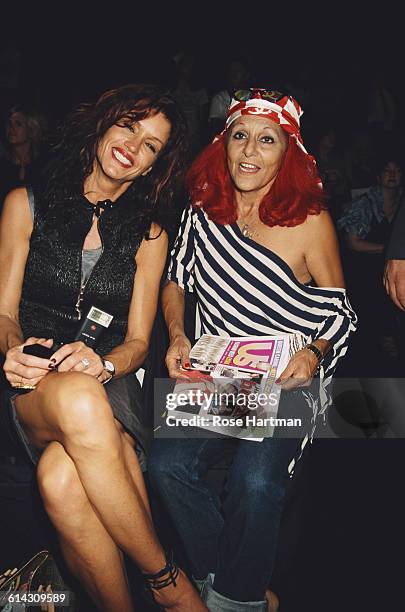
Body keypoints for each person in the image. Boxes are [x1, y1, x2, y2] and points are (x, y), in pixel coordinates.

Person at [0, 84, 207, 612]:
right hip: (32, 385)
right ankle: (167, 582)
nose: (135, 146)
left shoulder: (150, 233)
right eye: (130, 126)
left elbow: (138, 341)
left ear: (152, 168)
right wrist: (13, 347)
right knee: (74, 399)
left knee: (60, 479)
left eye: (153, 146)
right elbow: (3, 312)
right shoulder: (26, 205)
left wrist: (104, 362)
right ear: (103, 124)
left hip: (109, 386)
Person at [148, 88, 356, 611]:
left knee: (256, 480)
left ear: (289, 155)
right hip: (219, 374)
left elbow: (343, 314)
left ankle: (228, 601)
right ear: (223, 143)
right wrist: (177, 333)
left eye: (267, 140)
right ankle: (236, 586)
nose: (249, 151)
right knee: (166, 467)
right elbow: (175, 280)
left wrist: (314, 354)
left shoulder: (311, 222)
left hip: (285, 377)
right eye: (240, 136)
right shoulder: (202, 212)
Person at [338, 156, 403, 371]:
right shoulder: (363, 204)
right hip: (364, 277)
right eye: (387, 170)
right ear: (378, 176)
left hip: (391, 282)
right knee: (367, 336)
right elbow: (353, 243)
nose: (392, 174)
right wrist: (391, 252)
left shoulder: (401, 206)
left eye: (397, 170)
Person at [0, 105, 47, 211]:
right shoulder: (3, 165)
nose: (11, 128)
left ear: (31, 129)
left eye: (18, 124)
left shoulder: (43, 165)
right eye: (9, 123)